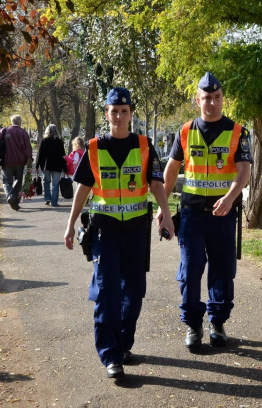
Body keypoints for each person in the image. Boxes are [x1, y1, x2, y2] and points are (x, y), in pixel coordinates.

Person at [63, 87, 174, 379]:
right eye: (115, 111)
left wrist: (167, 216)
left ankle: (124, 343)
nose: (120, 116)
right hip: (104, 232)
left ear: (131, 114)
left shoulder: (146, 145)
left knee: (134, 292)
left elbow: (156, 184)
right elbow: (83, 188)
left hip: (137, 230)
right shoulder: (95, 148)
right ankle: (110, 355)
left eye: (125, 111)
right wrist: (70, 224)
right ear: (107, 114)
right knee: (108, 292)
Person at [160, 72, 252, 352]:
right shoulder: (185, 131)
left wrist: (230, 197)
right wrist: (163, 209)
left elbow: (244, 171)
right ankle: (192, 324)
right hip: (192, 215)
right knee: (190, 270)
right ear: (197, 100)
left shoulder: (238, 132)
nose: (212, 103)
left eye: (217, 97)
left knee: (222, 270)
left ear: (222, 98)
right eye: (207, 98)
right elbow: (172, 170)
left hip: (223, 215)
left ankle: (218, 322)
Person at [0, 115, 33, 211]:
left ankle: (10, 196)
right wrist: (29, 159)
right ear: (20, 123)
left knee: (7, 181)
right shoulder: (23, 132)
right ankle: (16, 201)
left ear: (11, 122)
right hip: (20, 161)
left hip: (6, 161)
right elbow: (27, 147)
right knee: (18, 181)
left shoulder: (4, 130)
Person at [35, 124, 67, 207]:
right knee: (55, 184)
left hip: (46, 166)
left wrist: (37, 165)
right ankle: (54, 202)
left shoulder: (44, 141)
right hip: (57, 166)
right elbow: (63, 155)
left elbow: (39, 154)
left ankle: (47, 198)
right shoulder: (60, 142)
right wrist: (65, 167)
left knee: (46, 182)